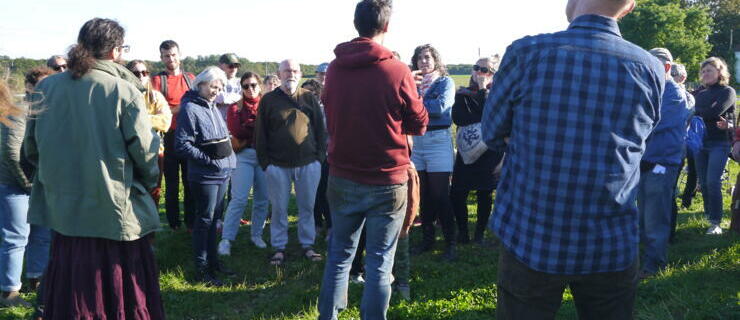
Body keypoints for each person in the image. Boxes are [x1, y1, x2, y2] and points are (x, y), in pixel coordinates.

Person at [482, 0, 665, 318]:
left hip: (532, 232)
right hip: (610, 239)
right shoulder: (649, 67)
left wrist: (530, 142)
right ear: (629, 7)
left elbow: (493, 133)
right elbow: (640, 143)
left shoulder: (528, 53)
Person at [25, 18, 164, 319]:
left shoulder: (45, 87)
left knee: (69, 285)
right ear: (115, 51)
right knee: (113, 291)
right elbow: (146, 156)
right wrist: (149, 182)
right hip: (111, 211)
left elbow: (30, 150)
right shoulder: (123, 90)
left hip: (63, 210)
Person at [317, 0, 428, 318]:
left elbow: (331, 108)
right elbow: (419, 123)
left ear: (356, 24)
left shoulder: (335, 68)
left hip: (342, 174)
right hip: (387, 180)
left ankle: (329, 315)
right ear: (387, 26)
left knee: (339, 255)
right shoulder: (396, 70)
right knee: (380, 262)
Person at [255, 59, 326, 266]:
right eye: (287, 71)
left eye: (295, 70)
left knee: (308, 207)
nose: (291, 74)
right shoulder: (268, 100)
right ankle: (279, 247)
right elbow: (260, 134)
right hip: (277, 165)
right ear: (279, 74)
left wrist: (319, 159)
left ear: (300, 73)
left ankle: (308, 244)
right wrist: (266, 163)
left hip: (309, 163)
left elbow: (320, 130)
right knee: (279, 209)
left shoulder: (309, 98)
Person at [174, 66, 237, 286]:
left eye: (219, 87)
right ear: (200, 84)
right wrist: (209, 160)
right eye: (212, 86)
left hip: (222, 172)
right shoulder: (190, 108)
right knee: (204, 220)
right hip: (205, 175)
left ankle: (213, 263)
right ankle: (202, 269)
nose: (215, 91)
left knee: (213, 220)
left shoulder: (211, 106)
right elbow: (181, 145)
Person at [637, 48, 691, 279]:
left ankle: (654, 265)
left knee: (654, 219)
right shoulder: (650, 89)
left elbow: (649, 124)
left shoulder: (673, 93)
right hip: (644, 163)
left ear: (667, 68)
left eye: (653, 65)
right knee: (642, 217)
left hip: (661, 164)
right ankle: (639, 262)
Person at [0, 69, 52, 308]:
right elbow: (12, 153)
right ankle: (9, 292)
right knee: (16, 237)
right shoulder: (20, 112)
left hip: (35, 184)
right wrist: (27, 183)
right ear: (30, 88)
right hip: (15, 185)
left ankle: (36, 278)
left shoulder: (42, 113)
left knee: (41, 234)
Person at [450, 56, 505, 245]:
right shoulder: (462, 93)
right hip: (467, 151)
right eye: (477, 68)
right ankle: (463, 232)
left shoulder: (498, 94)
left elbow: (491, 115)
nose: (480, 72)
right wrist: (480, 117)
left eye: (486, 70)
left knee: (484, 193)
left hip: (489, 153)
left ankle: (480, 234)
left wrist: (483, 90)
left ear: (493, 75)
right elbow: (459, 117)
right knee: (457, 192)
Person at [410, 43, 457, 261]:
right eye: (420, 58)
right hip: (418, 143)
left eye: (428, 57)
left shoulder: (445, 82)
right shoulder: (413, 84)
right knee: (424, 195)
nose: (424, 61)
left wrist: (415, 102)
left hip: (438, 142)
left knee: (440, 194)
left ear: (436, 60)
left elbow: (440, 108)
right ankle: (427, 239)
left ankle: (450, 242)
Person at [219, 72, 270, 254]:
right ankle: (227, 238)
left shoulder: (267, 104)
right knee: (239, 198)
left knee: (262, 199)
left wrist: (250, 128)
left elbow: (271, 128)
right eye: (246, 86)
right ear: (241, 88)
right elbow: (236, 130)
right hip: (243, 156)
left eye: (254, 85)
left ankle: (257, 234)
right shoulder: (235, 107)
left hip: (264, 156)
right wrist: (256, 129)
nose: (250, 89)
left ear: (260, 86)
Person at [151, 40, 197, 231]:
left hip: (189, 136)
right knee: (171, 183)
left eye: (173, 55)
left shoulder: (191, 79)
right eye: (166, 56)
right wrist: (180, 107)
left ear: (179, 55)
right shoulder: (157, 81)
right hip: (168, 136)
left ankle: (190, 222)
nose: (171, 59)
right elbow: (156, 109)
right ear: (161, 58)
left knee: (189, 181)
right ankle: (173, 223)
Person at [692, 57, 737, 235]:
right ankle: (709, 216)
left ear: (720, 72)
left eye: (709, 70)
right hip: (699, 142)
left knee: (712, 181)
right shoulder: (699, 93)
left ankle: (716, 222)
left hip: (719, 142)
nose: (705, 74)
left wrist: (700, 111)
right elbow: (692, 111)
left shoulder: (728, 91)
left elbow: (714, 112)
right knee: (703, 182)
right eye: (703, 71)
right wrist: (702, 111)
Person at [126, 60, 172, 203]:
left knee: (153, 194)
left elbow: (165, 122)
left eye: (144, 72)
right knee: (130, 196)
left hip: (154, 152)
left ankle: (153, 224)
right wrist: (150, 120)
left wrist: (137, 119)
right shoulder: (122, 96)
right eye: (136, 73)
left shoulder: (156, 96)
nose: (141, 76)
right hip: (127, 153)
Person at [216, 53, 242, 121]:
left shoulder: (241, 82)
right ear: (220, 66)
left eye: (236, 66)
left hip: (236, 122)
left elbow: (242, 99)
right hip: (219, 122)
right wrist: (237, 97)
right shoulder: (214, 81)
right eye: (230, 65)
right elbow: (220, 98)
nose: (233, 68)